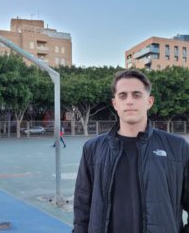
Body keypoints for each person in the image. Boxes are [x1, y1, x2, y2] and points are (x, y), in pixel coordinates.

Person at [72, 69, 189, 233]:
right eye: (123, 95)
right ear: (115, 103)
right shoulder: (93, 148)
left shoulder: (178, 147)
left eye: (136, 95)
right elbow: (82, 206)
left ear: (149, 101)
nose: (129, 101)